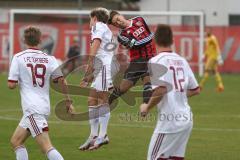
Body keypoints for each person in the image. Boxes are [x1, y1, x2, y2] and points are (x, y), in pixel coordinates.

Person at [8, 26, 74, 160]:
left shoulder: (18, 57)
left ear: (24, 40)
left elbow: (11, 85)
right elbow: (62, 81)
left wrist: (22, 79)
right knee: (16, 141)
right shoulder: (49, 59)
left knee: (46, 147)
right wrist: (68, 102)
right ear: (40, 40)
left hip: (32, 109)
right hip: (42, 107)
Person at [140, 24, 200, 160]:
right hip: (186, 119)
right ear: (172, 40)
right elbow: (195, 90)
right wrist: (176, 94)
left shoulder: (155, 61)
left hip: (170, 122)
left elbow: (161, 90)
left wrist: (147, 107)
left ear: (154, 40)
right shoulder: (182, 60)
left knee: (153, 158)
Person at [78, 7, 113, 151]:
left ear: (94, 18)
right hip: (101, 68)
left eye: (90, 19)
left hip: (104, 68)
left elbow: (97, 45)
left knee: (102, 99)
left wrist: (89, 66)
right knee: (92, 100)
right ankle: (93, 135)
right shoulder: (104, 28)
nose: (89, 22)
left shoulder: (99, 26)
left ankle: (103, 134)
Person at [108, 10, 156, 106]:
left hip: (151, 57)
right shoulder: (122, 36)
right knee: (123, 88)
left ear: (121, 15)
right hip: (137, 62)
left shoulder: (139, 19)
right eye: (115, 23)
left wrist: (151, 36)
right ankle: (107, 102)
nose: (118, 22)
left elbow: (148, 32)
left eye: (118, 19)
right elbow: (137, 44)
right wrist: (152, 36)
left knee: (148, 84)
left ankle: (145, 108)